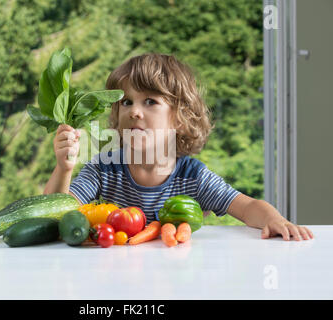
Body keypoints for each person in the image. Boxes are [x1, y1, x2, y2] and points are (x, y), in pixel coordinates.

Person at [43, 53, 314, 241]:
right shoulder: (103, 169)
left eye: (150, 102)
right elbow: (52, 216)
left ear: (180, 119)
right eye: (126, 102)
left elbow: (248, 207)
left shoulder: (192, 176)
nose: (134, 111)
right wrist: (64, 168)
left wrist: (276, 220)